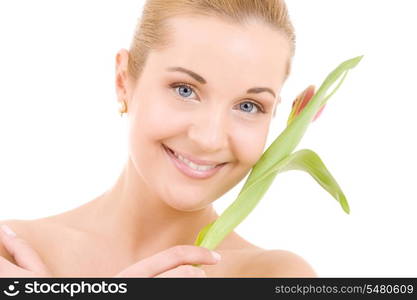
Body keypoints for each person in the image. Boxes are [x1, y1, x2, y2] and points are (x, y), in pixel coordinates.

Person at [0, 0, 318, 277]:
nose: (208, 138)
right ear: (124, 80)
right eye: (185, 90)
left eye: (249, 106)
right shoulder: (11, 254)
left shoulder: (274, 276)